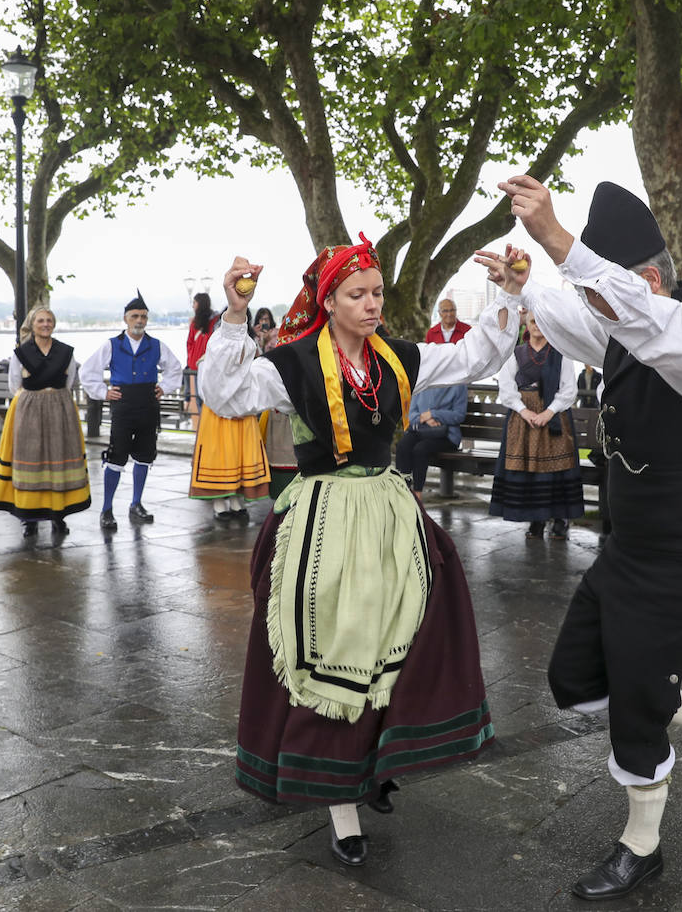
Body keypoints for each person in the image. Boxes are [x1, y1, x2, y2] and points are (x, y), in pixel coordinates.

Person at [482, 178, 682, 901]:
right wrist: (527, 280)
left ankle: (642, 846)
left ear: (643, 280)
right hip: (628, 548)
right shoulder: (628, 335)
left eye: (606, 288)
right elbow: (581, 322)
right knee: (575, 683)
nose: (596, 305)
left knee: (638, 697)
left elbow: (629, 313)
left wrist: (555, 238)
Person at [201, 238, 517, 867]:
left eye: (375, 293)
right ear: (331, 301)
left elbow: (475, 356)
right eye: (358, 294)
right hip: (323, 522)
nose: (372, 304)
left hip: (388, 511)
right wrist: (235, 312)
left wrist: (507, 290)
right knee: (333, 646)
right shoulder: (291, 364)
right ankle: (340, 802)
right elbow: (224, 393)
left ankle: (377, 761)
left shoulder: (397, 358)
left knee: (402, 639)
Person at [79, 293, 183, 531]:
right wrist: (103, 392)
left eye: (144, 316)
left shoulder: (155, 345)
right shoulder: (112, 344)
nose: (139, 320)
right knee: (116, 457)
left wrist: (164, 387)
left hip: (148, 405)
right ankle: (107, 509)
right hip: (123, 406)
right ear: (125, 319)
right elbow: (87, 371)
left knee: (145, 456)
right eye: (135, 316)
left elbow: (175, 369)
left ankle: (136, 504)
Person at [0, 306, 91, 536]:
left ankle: (58, 515)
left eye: (49, 320)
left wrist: (53, 399)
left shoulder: (66, 352)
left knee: (59, 458)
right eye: (40, 321)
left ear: (54, 324)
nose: (45, 324)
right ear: (32, 325)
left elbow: (69, 382)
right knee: (30, 458)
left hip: (59, 408)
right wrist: (35, 400)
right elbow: (14, 384)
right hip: (29, 410)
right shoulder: (21, 353)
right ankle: (30, 517)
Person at [489, 312, 583, 539]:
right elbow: (506, 387)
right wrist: (525, 411)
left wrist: (548, 412)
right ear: (527, 326)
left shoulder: (562, 354)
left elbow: (569, 389)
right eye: (533, 321)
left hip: (555, 417)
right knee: (529, 470)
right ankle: (536, 519)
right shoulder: (516, 354)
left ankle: (560, 519)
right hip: (524, 420)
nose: (537, 326)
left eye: (542, 322)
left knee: (556, 469)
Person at [188, 307, 270, 520]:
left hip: (243, 413)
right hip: (219, 414)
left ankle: (236, 499)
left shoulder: (252, 351)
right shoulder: (210, 357)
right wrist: (227, 406)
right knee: (222, 456)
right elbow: (207, 389)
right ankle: (219, 502)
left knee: (239, 456)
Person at [394, 381, 467, 500]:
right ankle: (403, 491)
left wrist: (433, 414)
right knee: (403, 445)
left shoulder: (459, 384)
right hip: (422, 429)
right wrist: (425, 419)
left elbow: (459, 415)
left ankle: (418, 494)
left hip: (447, 436)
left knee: (420, 449)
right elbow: (411, 414)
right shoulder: (423, 382)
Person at [184, 292, 215, 428]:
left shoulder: (215, 321)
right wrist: (192, 359)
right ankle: (204, 429)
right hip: (196, 366)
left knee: (208, 399)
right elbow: (189, 342)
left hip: (208, 367)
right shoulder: (194, 323)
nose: (193, 306)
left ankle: (209, 428)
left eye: (194, 303)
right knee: (198, 398)